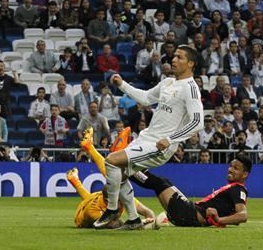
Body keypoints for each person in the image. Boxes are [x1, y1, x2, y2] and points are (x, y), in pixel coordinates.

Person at [87, 45, 203, 230]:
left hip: (160, 146)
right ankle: (133, 220)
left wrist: (171, 139)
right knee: (122, 174)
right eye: (174, 56)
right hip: (145, 139)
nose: (173, 60)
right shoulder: (168, 82)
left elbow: (198, 122)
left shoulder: (190, 88)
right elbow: (146, 98)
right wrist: (122, 85)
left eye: (179, 57)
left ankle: (111, 210)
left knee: (111, 161)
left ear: (190, 64)